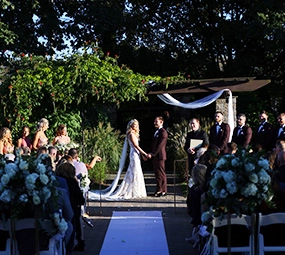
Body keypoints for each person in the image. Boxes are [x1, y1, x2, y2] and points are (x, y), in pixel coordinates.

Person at [88, 119, 147, 200]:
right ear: (131, 126)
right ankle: (132, 190)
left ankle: (135, 189)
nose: (135, 126)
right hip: (134, 154)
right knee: (134, 171)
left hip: (135, 154)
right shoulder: (131, 134)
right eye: (134, 125)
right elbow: (136, 146)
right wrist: (144, 153)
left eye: (136, 125)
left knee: (135, 171)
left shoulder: (134, 134)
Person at [55, 162, 85, 252]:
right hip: (71, 209)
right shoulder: (72, 182)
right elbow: (80, 199)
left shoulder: (56, 181)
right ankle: (76, 243)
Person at [146, 116, 168, 197]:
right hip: (155, 156)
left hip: (160, 156)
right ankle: (159, 189)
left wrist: (153, 154)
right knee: (157, 174)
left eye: (156, 121)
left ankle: (163, 190)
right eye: (154, 121)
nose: (155, 123)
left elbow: (160, 145)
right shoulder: (157, 131)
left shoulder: (163, 132)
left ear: (161, 122)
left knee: (161, 173)